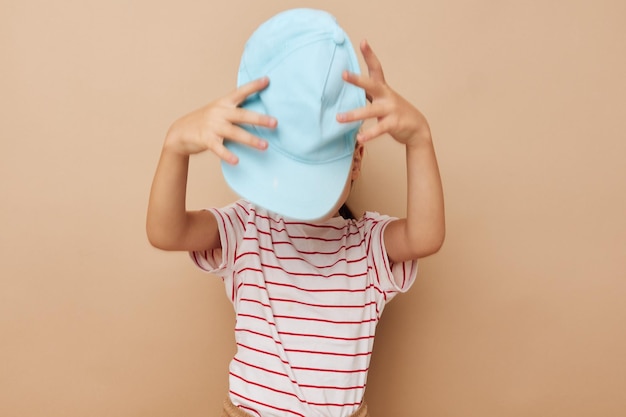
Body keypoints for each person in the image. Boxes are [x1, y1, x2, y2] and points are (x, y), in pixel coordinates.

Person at [146, 8, 444, 417]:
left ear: (355, 162)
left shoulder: (367, 247)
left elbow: (426, 237)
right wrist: (175, 146)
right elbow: (167, 232)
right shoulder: (246, 228)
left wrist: (420, 140)